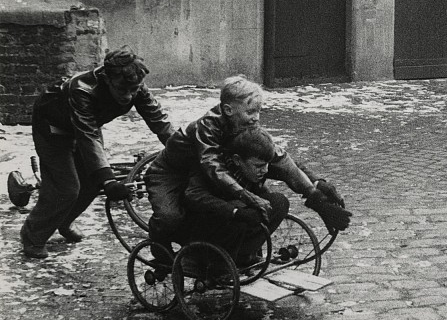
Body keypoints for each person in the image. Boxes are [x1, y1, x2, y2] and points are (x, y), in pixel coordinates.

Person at [145, 75, 348, 259]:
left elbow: (278, 158)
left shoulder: (245, 125)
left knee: (260, 199)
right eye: (251, 111)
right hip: (172, 173)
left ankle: (237, 251)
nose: (256, 117)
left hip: (201, 172)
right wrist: (247, 196)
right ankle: (159, 243)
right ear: (228, 110)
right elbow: (213, 167)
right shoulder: (207, 126)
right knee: (170, 217)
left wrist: (316, 191)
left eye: (258, 111)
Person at [20, 47, 174, 259]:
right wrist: (109, 180)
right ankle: (33, 236)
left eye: (134, 90)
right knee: (65, 188)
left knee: (93, 182)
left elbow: (158, 119)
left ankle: (63, 221)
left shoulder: (134, 85)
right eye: (122, 90)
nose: (128, 96)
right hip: (53, 126)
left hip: (87, 125)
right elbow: (88, 138)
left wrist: (181, 148)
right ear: (107, 79)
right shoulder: (81, 89)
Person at [182, 127, 350, 266]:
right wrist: (234, 211)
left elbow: (290, 168)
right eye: (259, 166)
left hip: (237, 219)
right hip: (205, 223)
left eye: (267, 165)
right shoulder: (213, 166)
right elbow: (194, 196)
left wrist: (319, 187)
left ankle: (243, 255)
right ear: (237, 160)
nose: (266, 170)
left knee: (279, 202)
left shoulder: (256, 163)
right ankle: (212, 260)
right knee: (244, 209)